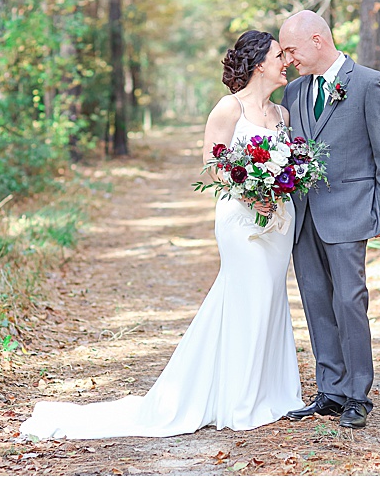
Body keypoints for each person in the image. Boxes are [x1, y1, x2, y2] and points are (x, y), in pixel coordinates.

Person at [17, 30, 303, 440]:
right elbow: (212, 162)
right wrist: (249, 190)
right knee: (249, 295)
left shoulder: (283, 115)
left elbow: (290, 163)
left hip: (277, 222)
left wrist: (277, 190)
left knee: (270, 299)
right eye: (279, 55)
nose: (286, 62)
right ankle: (239, 399)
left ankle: (269, 390)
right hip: (241, 221)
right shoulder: (228, 108)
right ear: (259, 63)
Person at [278, 10, 380, 429]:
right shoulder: (294, 92)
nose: (288, 57)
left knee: (350, 299)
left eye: (292, 48)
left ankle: (357, 395)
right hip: (304, 214)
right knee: (315, 301)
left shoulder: (368, 83)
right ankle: (329, 390)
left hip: (350, 209)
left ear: (317, 40)